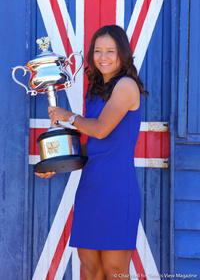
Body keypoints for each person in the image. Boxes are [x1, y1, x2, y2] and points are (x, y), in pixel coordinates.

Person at [35, 25, 148, 280]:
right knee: (89, 269)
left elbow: (100, 130)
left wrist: (69, 117)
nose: (103, 57)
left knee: (115, 271)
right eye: (98, 51)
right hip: (91, 189)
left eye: (110, 50)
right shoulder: (96, 89)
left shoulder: (127, 85)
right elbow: (96, 147)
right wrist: (58, 161)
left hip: (118, 190)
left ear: (123, 54)